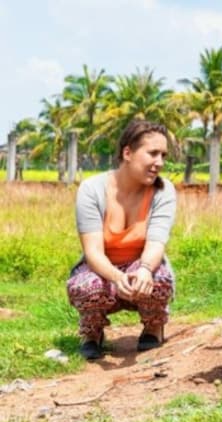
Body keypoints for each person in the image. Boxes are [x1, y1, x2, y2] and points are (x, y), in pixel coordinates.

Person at [66, 120, 177, 360]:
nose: (160, 162)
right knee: (85, 286)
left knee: (159, 278)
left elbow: (157, 242)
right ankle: (92, 333)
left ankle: (153, 326)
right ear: (127, 152)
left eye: (163, 155)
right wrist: (117, 277)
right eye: (153, 153)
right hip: (104, 270)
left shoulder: (163, 190)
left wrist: (145, 270)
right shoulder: (91, 189)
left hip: (140, 266)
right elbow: (93, 251)